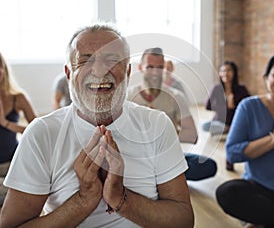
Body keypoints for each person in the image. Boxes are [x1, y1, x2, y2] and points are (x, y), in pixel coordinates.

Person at [0, 24, 194, 228]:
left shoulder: (158, 125)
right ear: (68, 73)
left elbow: (183, 220)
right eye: (85, 60)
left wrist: (121, 198)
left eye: (112, 60)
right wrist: (83, 200)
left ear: (127, 72)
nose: (100, 70)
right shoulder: (42, 133)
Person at [216, 51, 274, 227]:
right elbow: (232, 154)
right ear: (266, 78)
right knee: (227, 192)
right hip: (260, 191)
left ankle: (262, 222)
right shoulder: (249, 106)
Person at [127, 47, 217, 181]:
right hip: (137, 158)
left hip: (166, 158)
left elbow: (193, 136)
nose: (155, 72)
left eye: (160, 67)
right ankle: (163, 177)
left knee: (208, 165)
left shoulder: (176, 97)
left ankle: (157, 177)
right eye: (150, 67)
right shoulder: (127, 96)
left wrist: (162, 134)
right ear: (140, 67)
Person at [0, 52, 36, 206]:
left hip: (11, 163)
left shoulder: (18, 97)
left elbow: (37, 130)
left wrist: (5, 123)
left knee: (20, 197)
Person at [202, 61, 250, 171]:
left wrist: (234, 106)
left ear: (234, 73)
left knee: (234, 135)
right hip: (219, 122)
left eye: (229, 70)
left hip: (236, 123)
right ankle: (225, 130)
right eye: (223, 71)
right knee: (204, 126)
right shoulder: (216, 87)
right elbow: (207, 106)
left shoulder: (241, 89)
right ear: (219, 73)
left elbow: (248, 108)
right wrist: (226, 106)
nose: (226, 73)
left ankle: (230, 159)